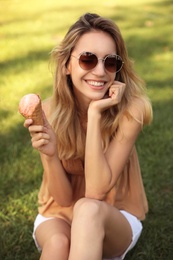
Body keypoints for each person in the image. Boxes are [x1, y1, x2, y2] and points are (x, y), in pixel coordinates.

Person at [24, 13, 153, 260]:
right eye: (87, 59)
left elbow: (95, 192)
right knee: (59, 243)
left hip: (114, 214)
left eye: (111, 62)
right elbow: (61, 199)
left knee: (88, 209)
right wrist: (50, 155)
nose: (101, 71)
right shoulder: (48, 112)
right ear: (66, 65)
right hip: (58, 213)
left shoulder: (131, 110)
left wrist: (94, 115)